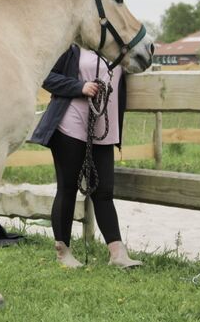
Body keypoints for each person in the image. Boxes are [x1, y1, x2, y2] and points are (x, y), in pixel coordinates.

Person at [30, 44, 142, 268]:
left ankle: (117, 252)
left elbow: (139, 63)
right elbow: (46, 76)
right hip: (70, 125)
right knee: (68, 187)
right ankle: (63, 252)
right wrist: (79, 86)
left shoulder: (117, 51)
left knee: (104, 191)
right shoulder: (71, 48)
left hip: (103, 130)